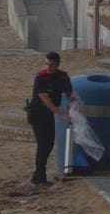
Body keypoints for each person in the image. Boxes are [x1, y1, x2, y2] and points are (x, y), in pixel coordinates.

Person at [27, 52, 76, 185]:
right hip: (38, 113)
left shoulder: (62, 76)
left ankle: (37, 175)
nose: (48, 67)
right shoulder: (40, 77)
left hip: (48, 115)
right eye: (46, 64)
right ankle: (40, 178)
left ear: (57, 64)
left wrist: (74, 98)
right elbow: (45, 100)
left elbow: (69, 92)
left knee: (49, 143)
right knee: (43, 145)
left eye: (51, 65)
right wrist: (62, 113)